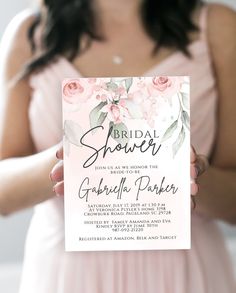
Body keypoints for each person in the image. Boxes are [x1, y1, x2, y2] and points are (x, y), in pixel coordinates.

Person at [0, 0, 235, 292]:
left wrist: (188, 176)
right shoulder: (29, 34)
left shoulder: (218, 26)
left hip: (184, 272)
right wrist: (71, 159)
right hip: (68, 275)